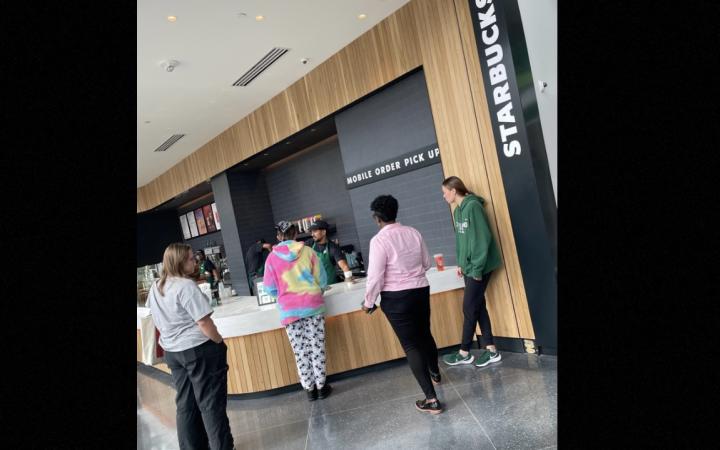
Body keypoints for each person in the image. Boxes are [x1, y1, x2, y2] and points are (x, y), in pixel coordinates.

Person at [146, 243, 234, 450]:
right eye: (190, 258)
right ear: (179, 261)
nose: (195, 261)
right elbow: (203, 322)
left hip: (173, 353)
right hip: (198, 350)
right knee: (211, 404)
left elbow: (155, 317)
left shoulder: (157, 286)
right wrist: (219, 341)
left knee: (185, 404)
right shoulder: (185, 286)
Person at [362, 195, 443, 415]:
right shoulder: (413, 232)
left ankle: (432, 400)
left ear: (376, 217)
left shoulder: (379, 240)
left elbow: (376, 276)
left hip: (397, 298)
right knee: (425, 334)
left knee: (411, 346)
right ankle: (435, 374)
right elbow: (427, 263)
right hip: (420, 290)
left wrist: (369, 302)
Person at [263, 221, 333, 401]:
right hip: (312, 305)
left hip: (289, 311)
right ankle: (322, 387)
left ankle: (309, 390)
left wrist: (284, 295)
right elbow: (322, 280)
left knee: (300, 351)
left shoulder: (271, 258)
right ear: (295, 234)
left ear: (279, 236)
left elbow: (269, 289)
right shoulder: (309, 251)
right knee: (316, 347)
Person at [440, 176, 503, 368]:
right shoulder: (458, 210)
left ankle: (464, 352)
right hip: (469, 267)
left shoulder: (473, 207)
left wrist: (476, 269)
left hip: (480, 266)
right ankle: (491, 350)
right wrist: (461, 263)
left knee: (468, 308)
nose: (444, 196)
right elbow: (462, 240)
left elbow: (482, 239)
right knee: (477, 306)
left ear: (453, 190)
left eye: (444, 193)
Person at [307, 220, 352, 284]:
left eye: (315, 231)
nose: (312, 234)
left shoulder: (333, 247)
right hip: (315, 288)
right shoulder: (310, 243)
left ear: (323, 232)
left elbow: (344, 266)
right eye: (311, 232)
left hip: (331, 286)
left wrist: (349, 278)